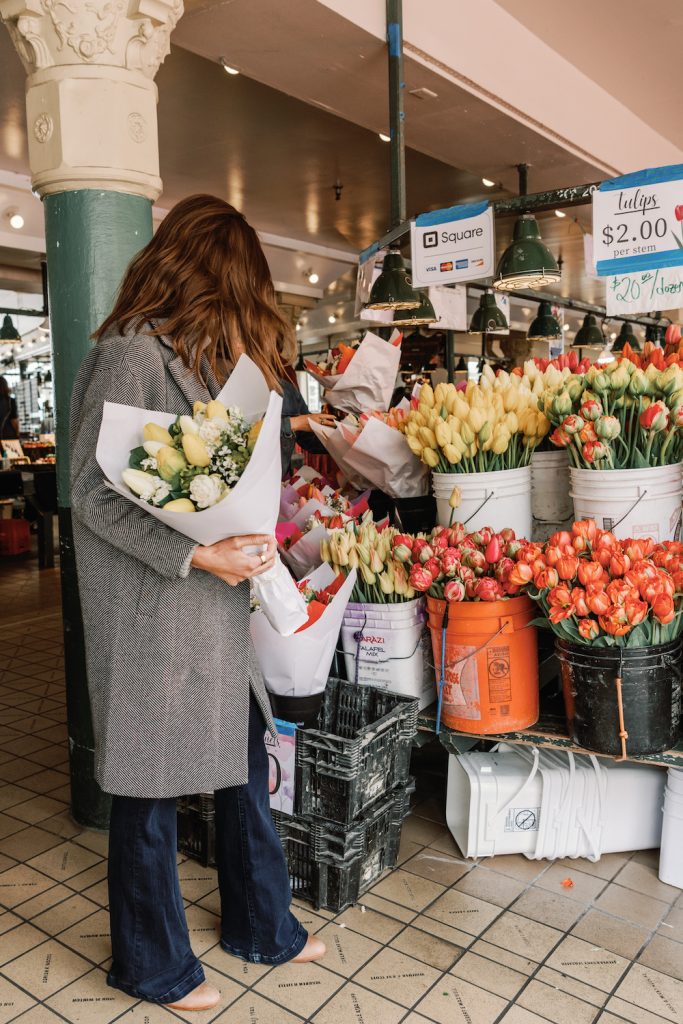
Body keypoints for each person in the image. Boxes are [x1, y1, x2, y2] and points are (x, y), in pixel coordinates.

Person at [69, 195, 325, 1014]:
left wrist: (244, 539)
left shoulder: (206, 360)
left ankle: (263, 927)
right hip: (152, 607)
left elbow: (204, 481)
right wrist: (196, 551)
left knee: (245, 767)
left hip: (212, 610)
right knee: (145, 794)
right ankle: (150, 966)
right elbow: (90, 495)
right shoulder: (128, 354)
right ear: (212, 272)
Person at [280, 373, 335, 477]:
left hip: (279, 480)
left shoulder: (288, 390)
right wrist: (293, 423)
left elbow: (308, 438)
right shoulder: (243, 387)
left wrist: (343, 440)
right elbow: (247, 432)